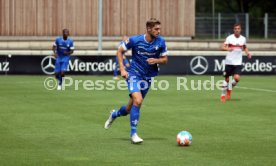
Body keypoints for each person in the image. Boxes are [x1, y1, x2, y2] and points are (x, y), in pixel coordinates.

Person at [104, 18, 168, 144]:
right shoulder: (135, 40)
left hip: (148, 77)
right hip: (134, 74)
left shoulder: (161, 42)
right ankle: (134, 134)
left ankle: (114, 114)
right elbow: (120, 51)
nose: (159, 31)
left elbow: (165, 59)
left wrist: (157, 60)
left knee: (129, 109)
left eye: (159, 28)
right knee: (138, 101)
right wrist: (122, 69)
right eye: (156, 29)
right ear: (148, 29)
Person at [220, 23, 251, 102]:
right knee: (227, 80)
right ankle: (223, 95)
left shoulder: (243, 39)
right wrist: (228, 49)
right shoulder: (229, 38)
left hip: (238, 63)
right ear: (233, 30)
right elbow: (222, 47)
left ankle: (229, 89)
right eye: (235, 29)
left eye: (238, 29)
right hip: (229, 62)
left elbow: (245, 47)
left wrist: (248, 53)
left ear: (240, 30)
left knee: (237, 78)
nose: (237, 30)